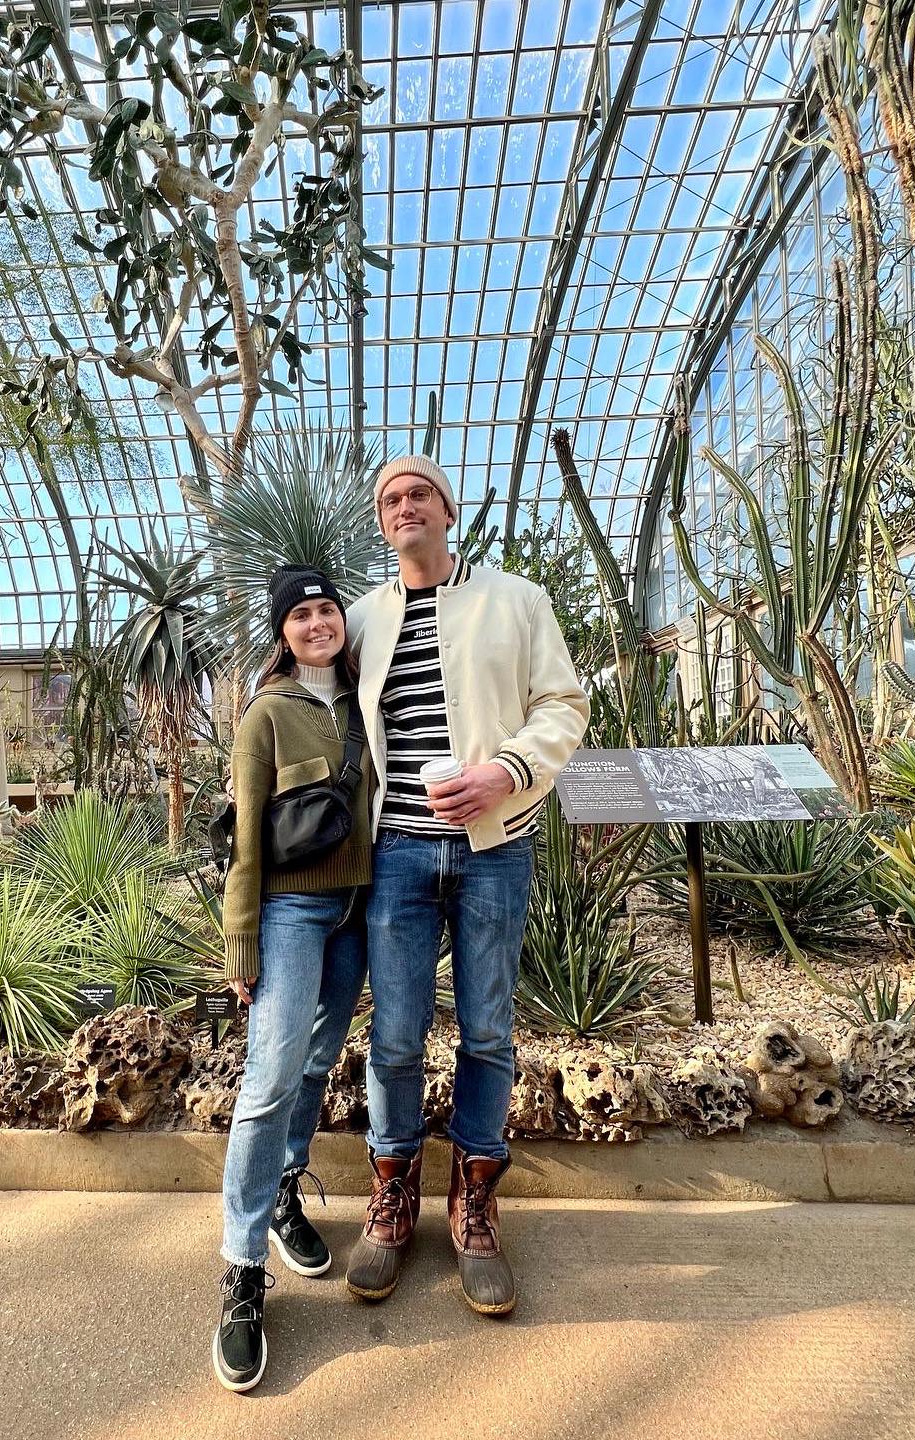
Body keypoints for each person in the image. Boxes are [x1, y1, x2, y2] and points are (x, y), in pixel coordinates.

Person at [343, 455, 590, 1316]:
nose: (404, 507)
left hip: (494, 845)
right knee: (397, 1035)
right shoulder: (362, 616)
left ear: (448, 511)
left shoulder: (515, 599)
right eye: (390, 500)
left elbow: (562, 703)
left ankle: (476, 1200)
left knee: (488, 1029)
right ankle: (394, 1191)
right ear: (383, 524)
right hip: (399, 853)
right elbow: (314, 699)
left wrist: (508, 772)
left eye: (419, 495)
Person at [212, 564, 374, 1393]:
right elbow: (246, 844)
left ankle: (283, 1190)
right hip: (290, 913)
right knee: (269, 1078)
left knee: (317, 1063)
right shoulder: (266, 715)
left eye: (327, 610)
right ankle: (241, 1270)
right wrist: (241, 942)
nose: (319, 623)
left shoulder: (367, 703)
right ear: (283, 630)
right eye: (303, 614)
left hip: (359, 910)